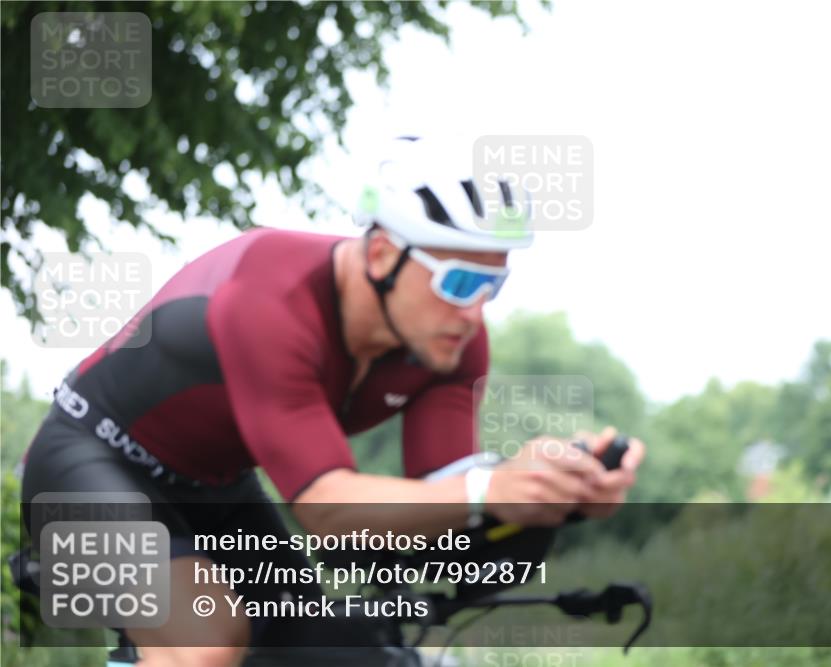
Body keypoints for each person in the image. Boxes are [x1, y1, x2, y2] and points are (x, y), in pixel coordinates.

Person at [20, 136, 645, 667]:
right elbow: (328, 510)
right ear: (381, 256)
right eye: (459, 282)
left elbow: (445, 500)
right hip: (84, 463)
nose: (475, 310)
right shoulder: (272, 298)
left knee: (324, 643)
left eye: (493, 285)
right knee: (206, 638)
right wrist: (489, 492)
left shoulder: (450, 343)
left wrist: (550, 498)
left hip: (213, 485)